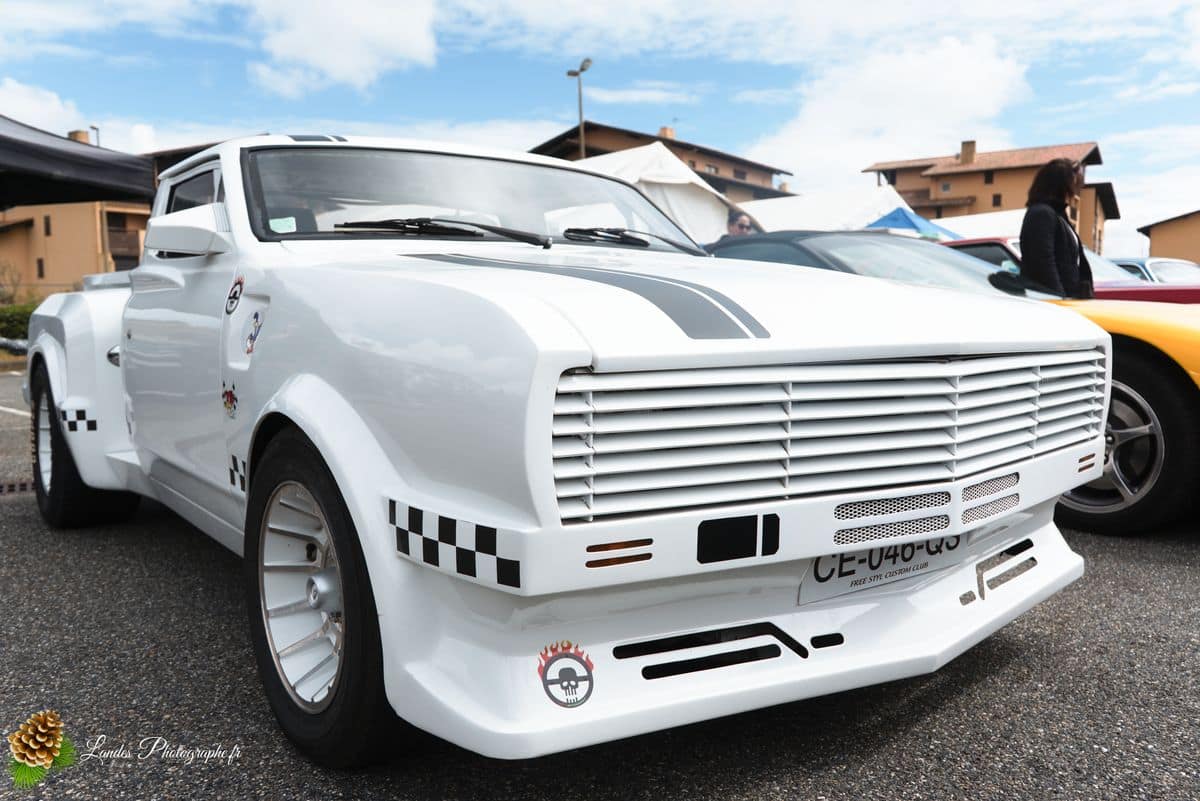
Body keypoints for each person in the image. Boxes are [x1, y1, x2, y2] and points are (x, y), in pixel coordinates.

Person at [1019, 158, 1093, 298]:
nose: (1075, 188)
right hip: (1053, 302)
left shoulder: (1057, 214)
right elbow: (1043, 264)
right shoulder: (1041, 214)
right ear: (1060, 184)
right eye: (1073, 182)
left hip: (1066, 299)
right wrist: (1059, 298)